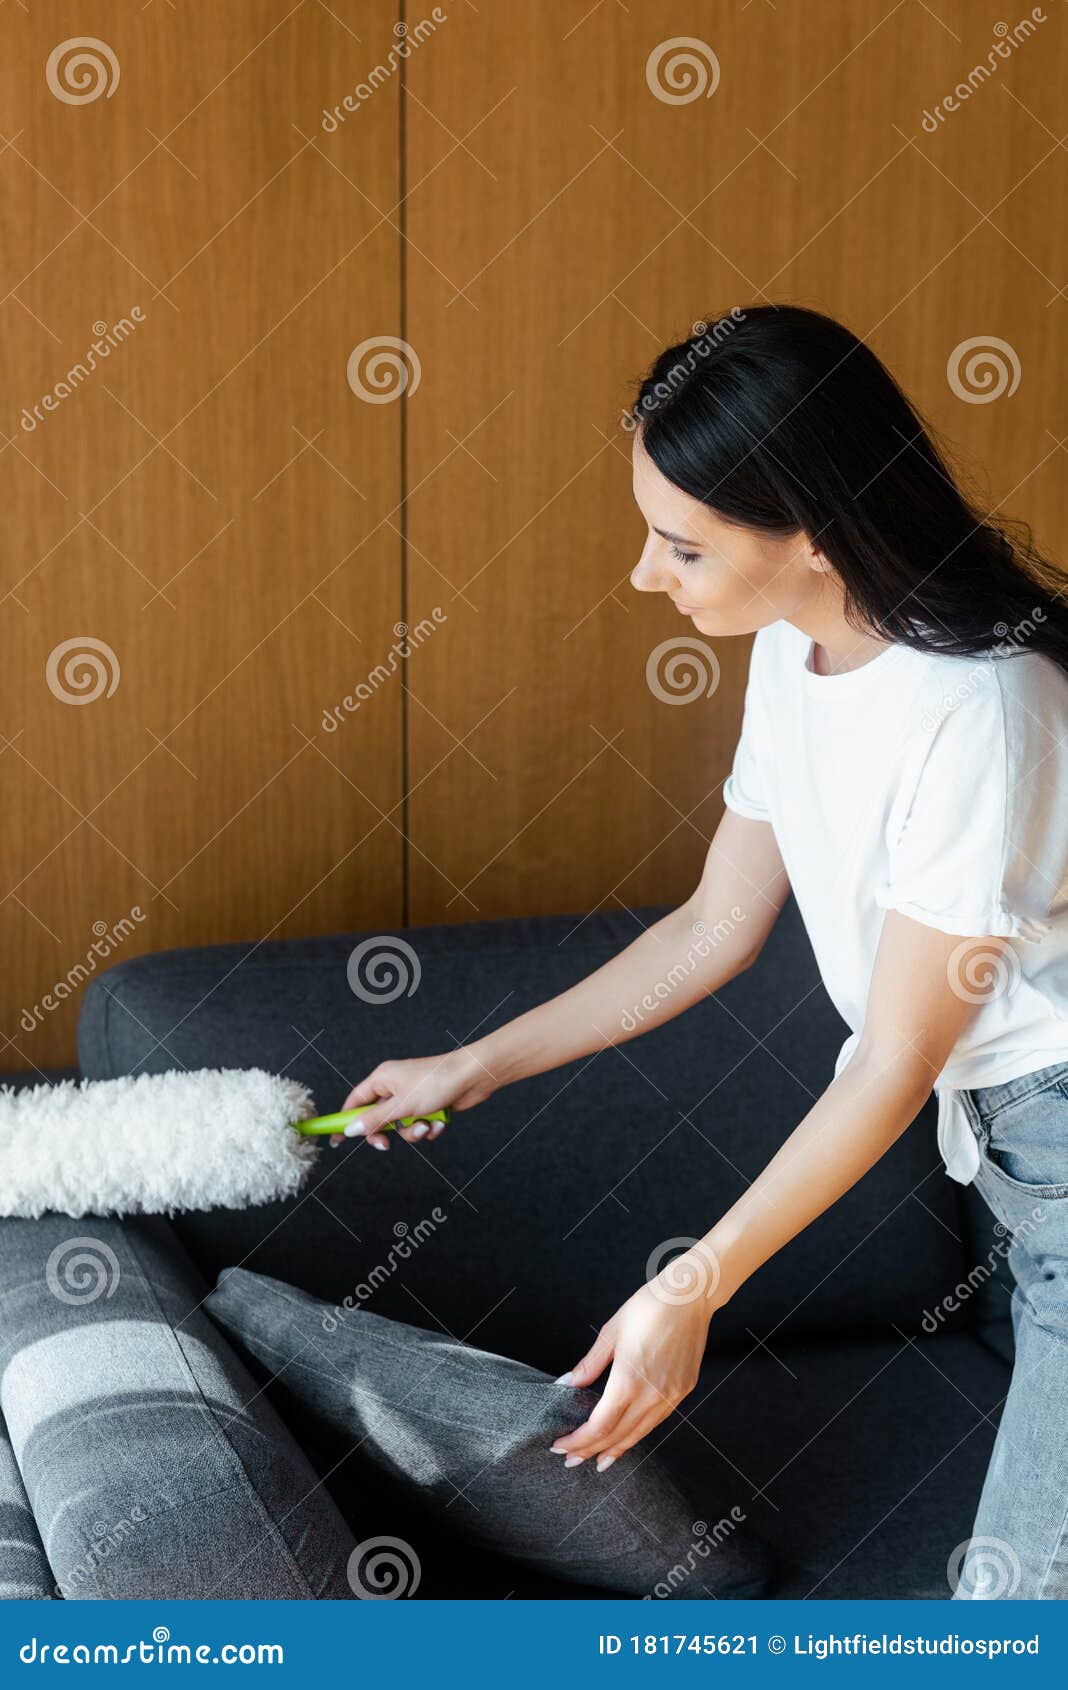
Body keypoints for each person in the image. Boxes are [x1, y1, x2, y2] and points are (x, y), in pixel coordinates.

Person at [331, 304, 1068, 1599]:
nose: (643, 575)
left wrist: (697, 1282)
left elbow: (894, 1059)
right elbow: (714, 924)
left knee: (1011, 1613)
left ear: (815, 531)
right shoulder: (801, 651)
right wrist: (476, 1060)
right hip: (1015, 1158)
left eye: (681, 545)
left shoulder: (985, 705)